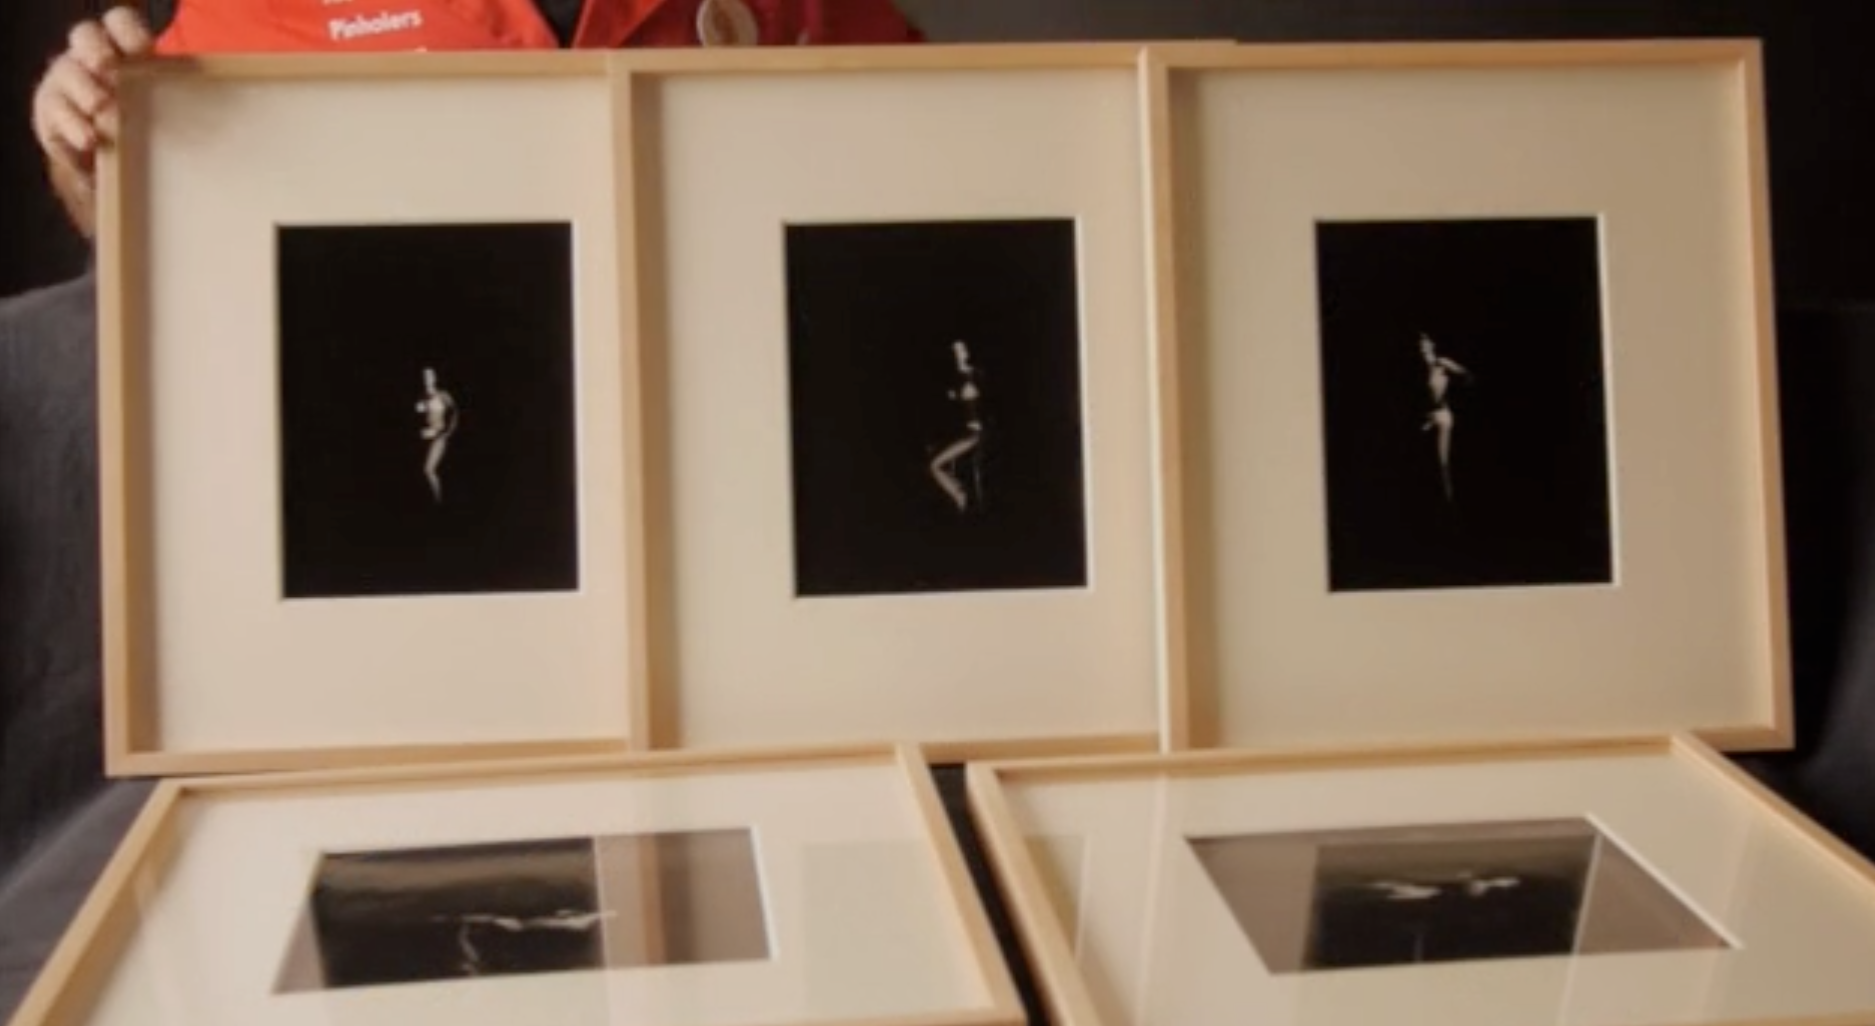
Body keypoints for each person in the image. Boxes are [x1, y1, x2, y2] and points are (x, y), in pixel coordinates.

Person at [30, 0, 926, 239]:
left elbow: (930, 137)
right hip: (425, 414)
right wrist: (85, 132)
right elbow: (144, 214)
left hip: (728, 414)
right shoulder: (262, 6)